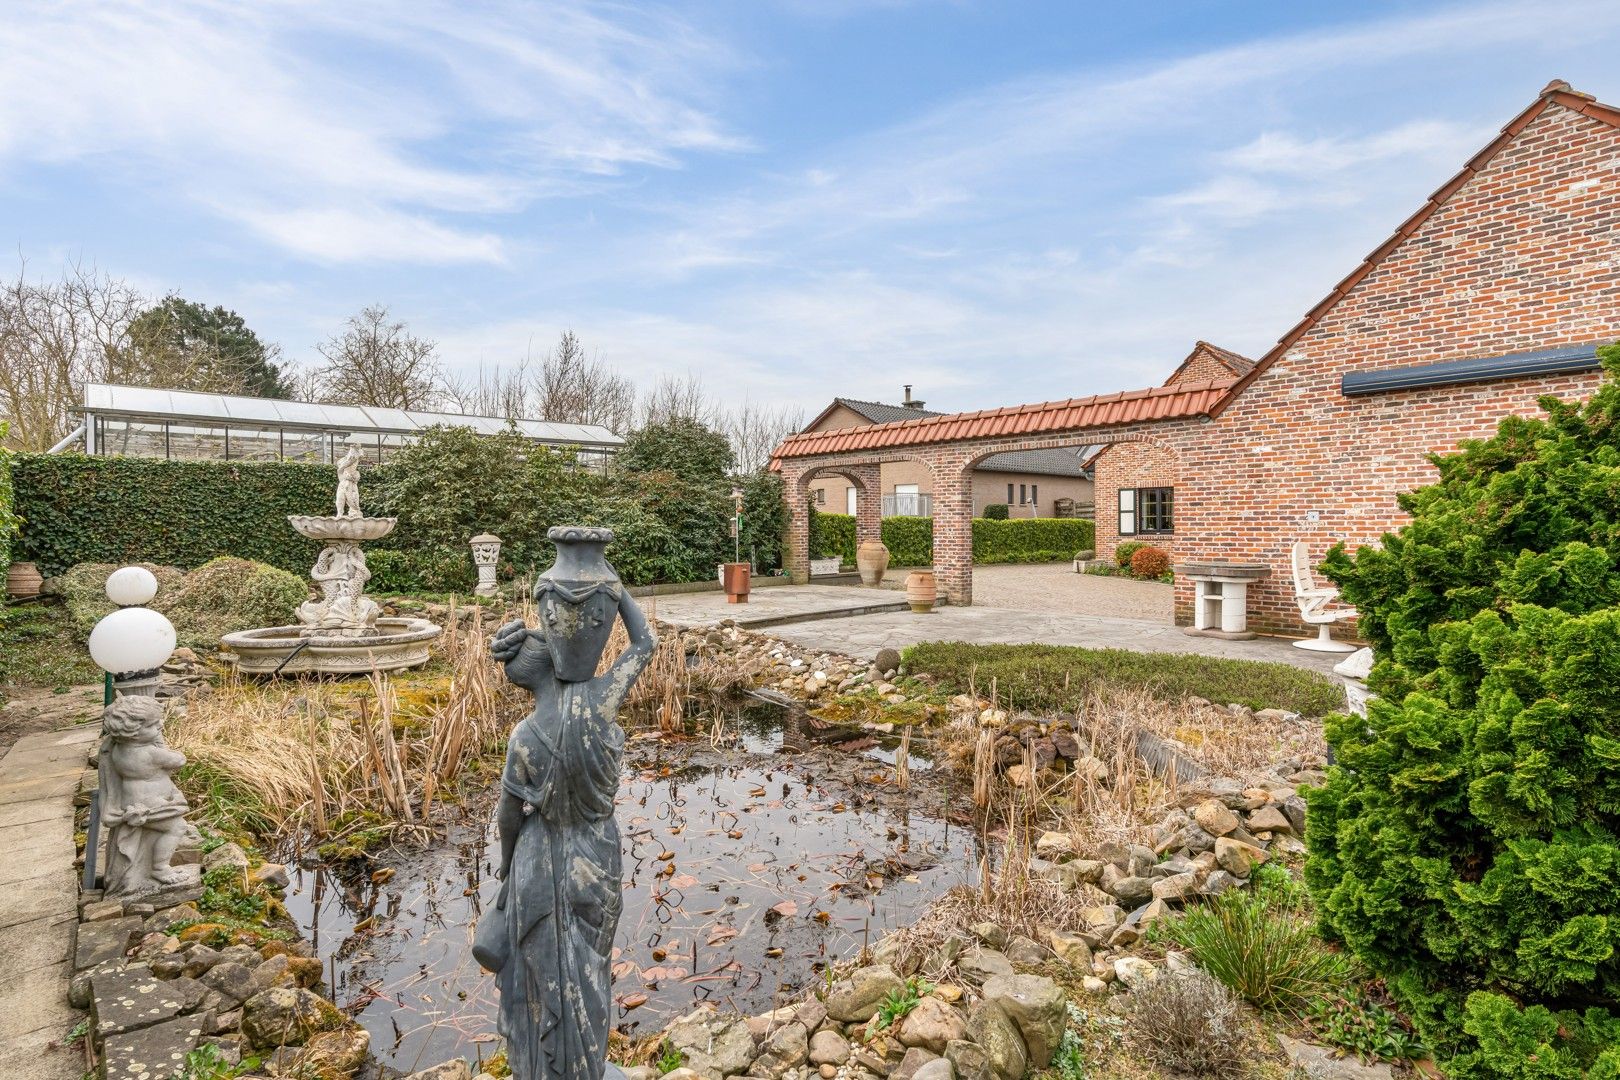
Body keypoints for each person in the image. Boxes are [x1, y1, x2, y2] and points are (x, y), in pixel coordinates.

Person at [478, 586, 657, 1080]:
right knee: (589, 972)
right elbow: (644, 644)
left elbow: (508, 816)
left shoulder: (524, 736)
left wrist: (509, 864)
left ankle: (543, 1070)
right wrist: (617, 592)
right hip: (596, 853)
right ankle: (586, 1068)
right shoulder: (601, 700)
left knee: (542, 978)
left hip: (541, 856)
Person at [334, 446, 362, 517]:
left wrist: (351, 478)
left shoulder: (355, 473)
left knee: (353, 501)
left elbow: (356, 478)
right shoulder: (341, 471)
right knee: (340, 499)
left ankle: (354, 512)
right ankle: (339, 513)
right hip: (343, 485)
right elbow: (348, 463)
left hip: (351, 486)